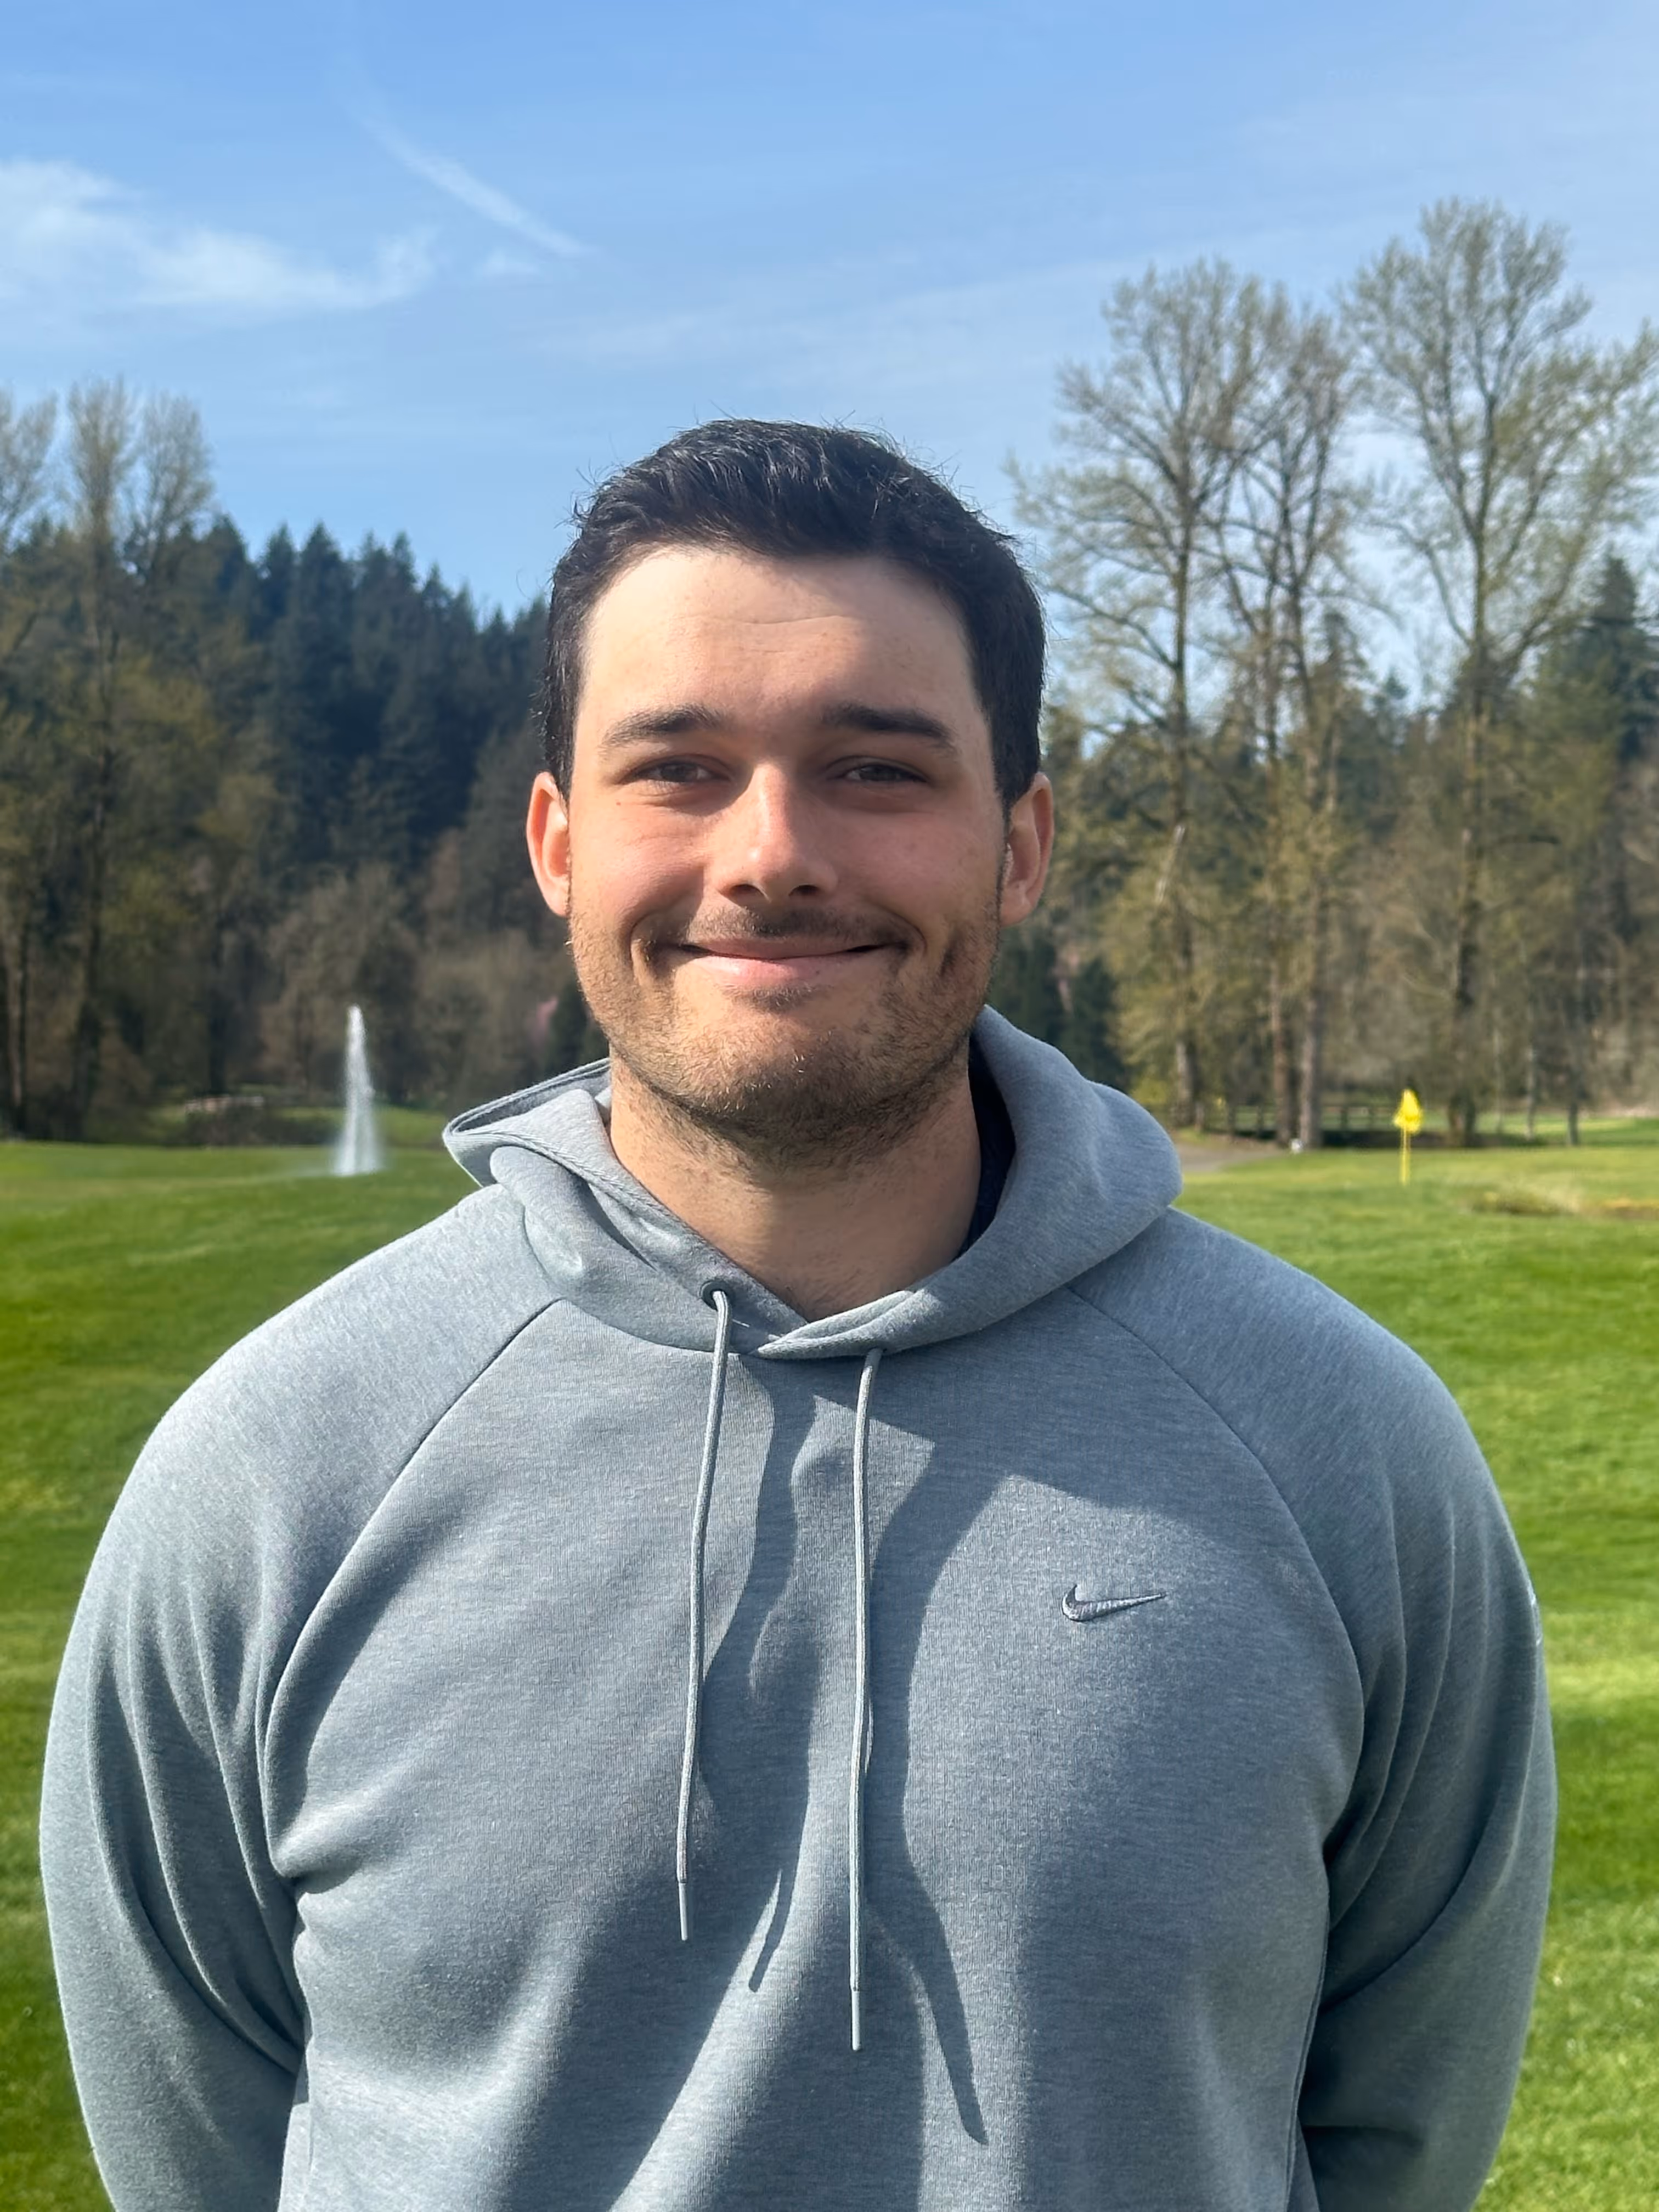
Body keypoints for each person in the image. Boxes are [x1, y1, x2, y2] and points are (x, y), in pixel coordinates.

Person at [41, 420, 1555, 2212]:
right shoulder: (277, 1468)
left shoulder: (1342, 1453)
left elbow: (1396, 2137)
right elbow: (193, 2139)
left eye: (879, 769)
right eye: (679, 768)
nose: (772, 853)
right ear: (555, 840)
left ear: (1023, 843)